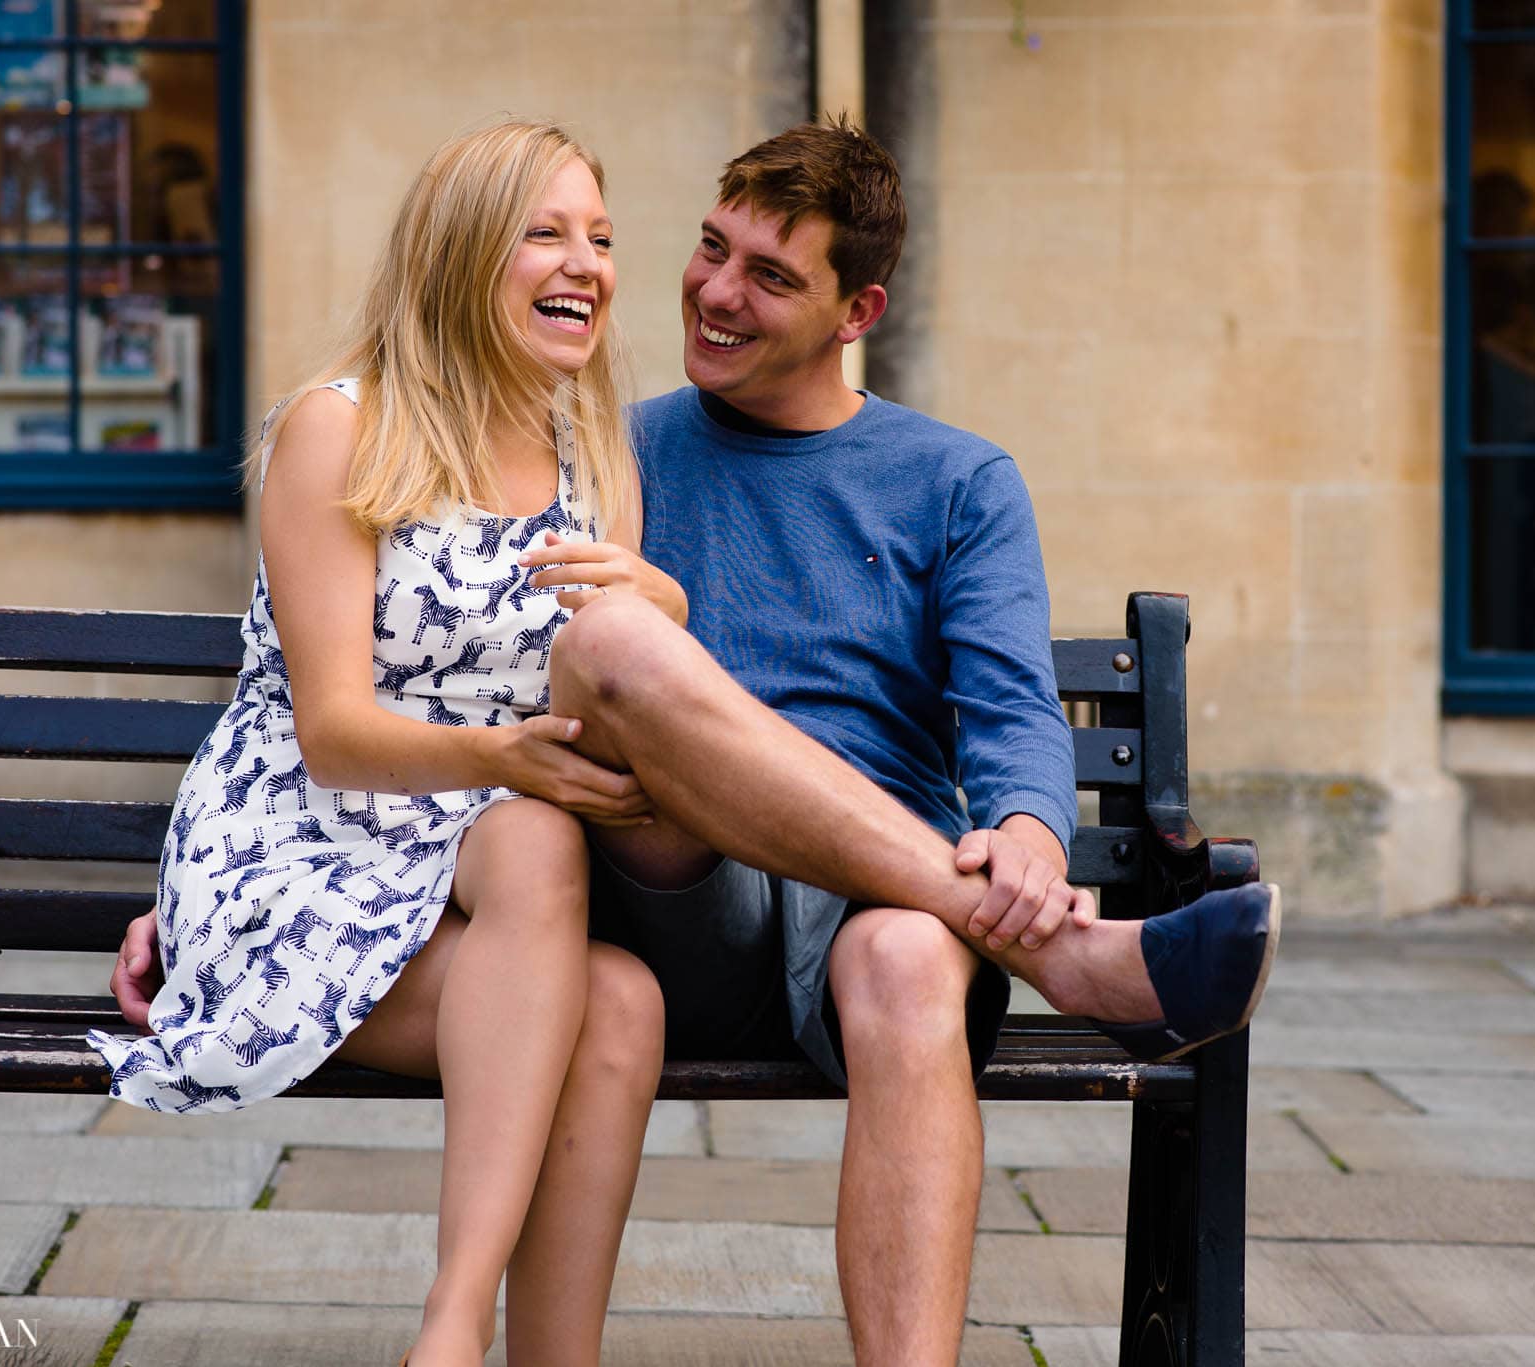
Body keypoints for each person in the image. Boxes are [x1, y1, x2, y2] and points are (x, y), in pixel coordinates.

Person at [114, 115, 1280, 1366]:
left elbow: (1008, 714)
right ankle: (1064, 960)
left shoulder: (954, 479)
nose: (715, 295)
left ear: (856, 309)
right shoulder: (616, 439)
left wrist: (1030, 836)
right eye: (710, 250)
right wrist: (234, 893)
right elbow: (438, 679)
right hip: (666, 877)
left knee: (902, 960)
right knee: (614, 648)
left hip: (856, 913)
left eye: (770, 276)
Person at [90, 119, 683, 1367]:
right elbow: (335, 731)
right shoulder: (342, 429)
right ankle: (452, 1330)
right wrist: (505, 759)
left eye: (603, 236)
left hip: (475, 861)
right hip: (300, 842)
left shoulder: (598, 455)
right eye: (546, 231)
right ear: (464, 251)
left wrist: (660, 606)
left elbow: (614, 670)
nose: (587, 261)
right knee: (532, 846)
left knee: (621, 1001)